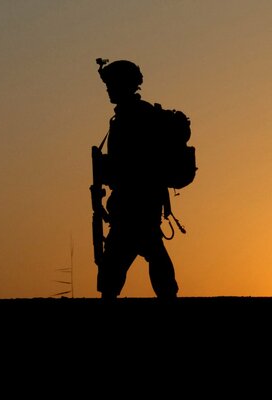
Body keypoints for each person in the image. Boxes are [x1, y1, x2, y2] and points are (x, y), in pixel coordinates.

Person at [95, 59, 179, 300]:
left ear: (124, 84)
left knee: (118, 257)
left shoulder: (135, 117)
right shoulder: (129, 115)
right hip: (139, 199)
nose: (109, 90)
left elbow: (135, 162)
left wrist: (108, 168)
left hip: (135, 199)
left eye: (112, 84)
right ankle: (168, 295)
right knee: (150, 249)